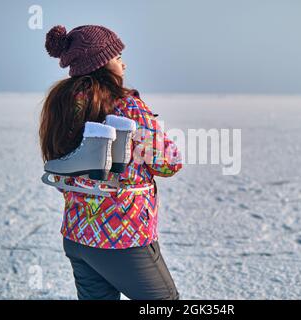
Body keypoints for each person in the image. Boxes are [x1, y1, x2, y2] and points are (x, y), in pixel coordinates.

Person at [39, 24, 183, 300]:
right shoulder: (127, 106)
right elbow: (168, 163)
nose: (124, 64)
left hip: (77, 234)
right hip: (123, 237)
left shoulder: (61, 103)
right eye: (117, 57)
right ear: (101, 62)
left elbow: (61, 171)